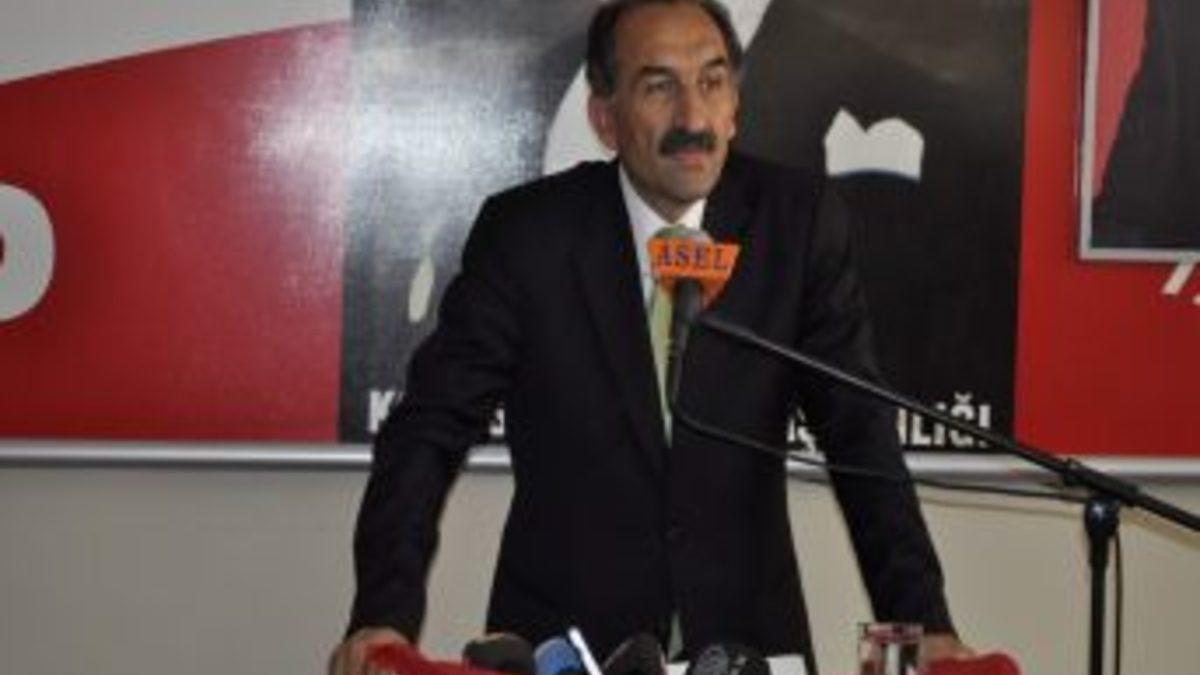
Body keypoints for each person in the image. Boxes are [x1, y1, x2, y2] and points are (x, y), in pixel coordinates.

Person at [330, 2, 971, 673]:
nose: (693, 117)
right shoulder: (528, 236)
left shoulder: (797, 223)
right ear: (604, 118)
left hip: (747, 647)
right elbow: (428, 429)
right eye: (659, 87)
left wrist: (925, 621)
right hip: (566, 648)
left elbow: (859, 433)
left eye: (712, 82)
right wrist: (383, 614)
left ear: (735, 105)